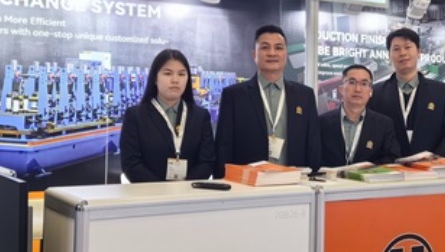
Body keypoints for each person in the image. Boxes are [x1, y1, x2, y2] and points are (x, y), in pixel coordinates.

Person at [214, 24, 320, 177]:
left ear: (286, 54)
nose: (272, 53)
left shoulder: (305, 95)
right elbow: (223, 147)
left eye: (278, 48)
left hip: (294, 184)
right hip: (248, 184)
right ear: (254, 54)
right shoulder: (234, 95)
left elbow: (313, 145)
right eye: (265, 47)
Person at [120, 49, 215, 182]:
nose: (175, 80)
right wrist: (162, 190)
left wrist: (184, 188)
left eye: (181, 74)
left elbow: (207, 161)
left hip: (190, 192)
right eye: (168, 73)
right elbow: (131, 164)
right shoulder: (136, 116)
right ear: (155, 78)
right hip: (149, 192)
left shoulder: (200, 116)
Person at [369, 27, 445, 158]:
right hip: (389, 168)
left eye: (407, 47)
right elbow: (371, 135)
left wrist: (432, 162)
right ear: (389, 56)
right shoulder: (376, 93)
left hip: (431, 168)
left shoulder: (442, 92)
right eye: (396, 49)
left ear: (418, 52)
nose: (402, 53)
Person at [319, 64, 400, 167]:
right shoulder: (322, 122)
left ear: (370, 91)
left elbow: (391, 157)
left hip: (368, 177)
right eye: (352, 82)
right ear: (341, 89)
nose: (358, 89)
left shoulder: (383, 124)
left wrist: (366, 170)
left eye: (364, 84)